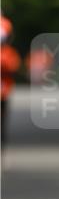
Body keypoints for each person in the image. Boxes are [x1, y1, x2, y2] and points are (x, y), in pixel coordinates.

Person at [1, 15, 21, 151]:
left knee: (3, 114)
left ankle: (2, 138)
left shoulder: (8, 53)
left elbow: (13, 67)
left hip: (3, 88)